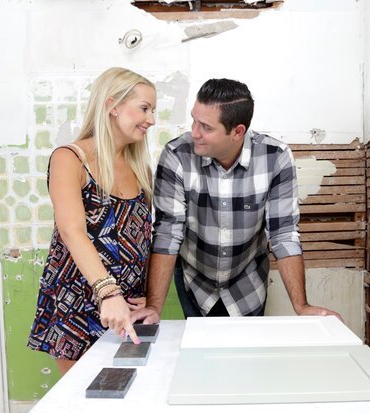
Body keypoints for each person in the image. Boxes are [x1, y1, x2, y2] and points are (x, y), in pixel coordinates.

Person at [133, 78, 340, 323]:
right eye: (194, 120)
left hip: (248, 281)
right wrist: (154, 306)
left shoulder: (276, 157)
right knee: (200, 354)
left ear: (237, 132)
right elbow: (167, 233)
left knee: (244, 357)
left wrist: (301, 306)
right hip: (194, 280)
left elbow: (283, 233)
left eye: (206, 127)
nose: (194, 132)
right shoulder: (176, 155)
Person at [28, 67, 156, 375]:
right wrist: (109, 294)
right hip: (79, 302)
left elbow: (142, 241)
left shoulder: (140, 169)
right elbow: (72, 232)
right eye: (144, 108)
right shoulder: (70, 158)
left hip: (128, 305)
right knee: (81, 403)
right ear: (112, 105)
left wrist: (147, 298)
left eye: (153, 110)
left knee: (128, 394)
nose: (151, 119)